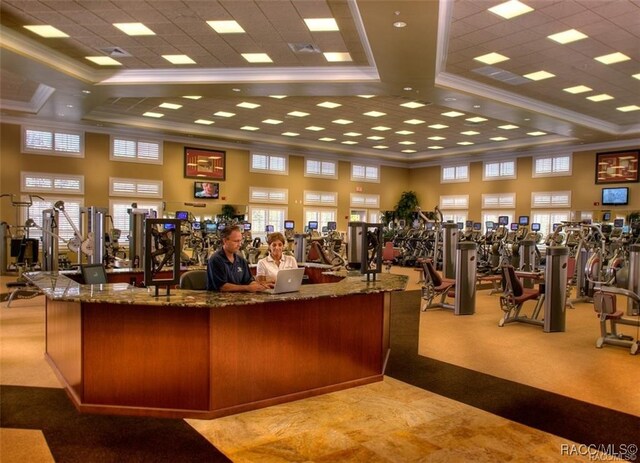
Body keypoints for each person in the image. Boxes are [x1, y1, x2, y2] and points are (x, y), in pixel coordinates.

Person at [206, 225, 270, 292]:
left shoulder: (241, 260)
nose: (239, 244)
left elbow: (249, 281)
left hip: (240, 299)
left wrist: (258, 286)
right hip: (219, 300)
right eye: (236, 241)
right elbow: (222, 287)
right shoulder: (216, 260)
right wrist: (248, 288)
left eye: (240, 241)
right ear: (225, 241)